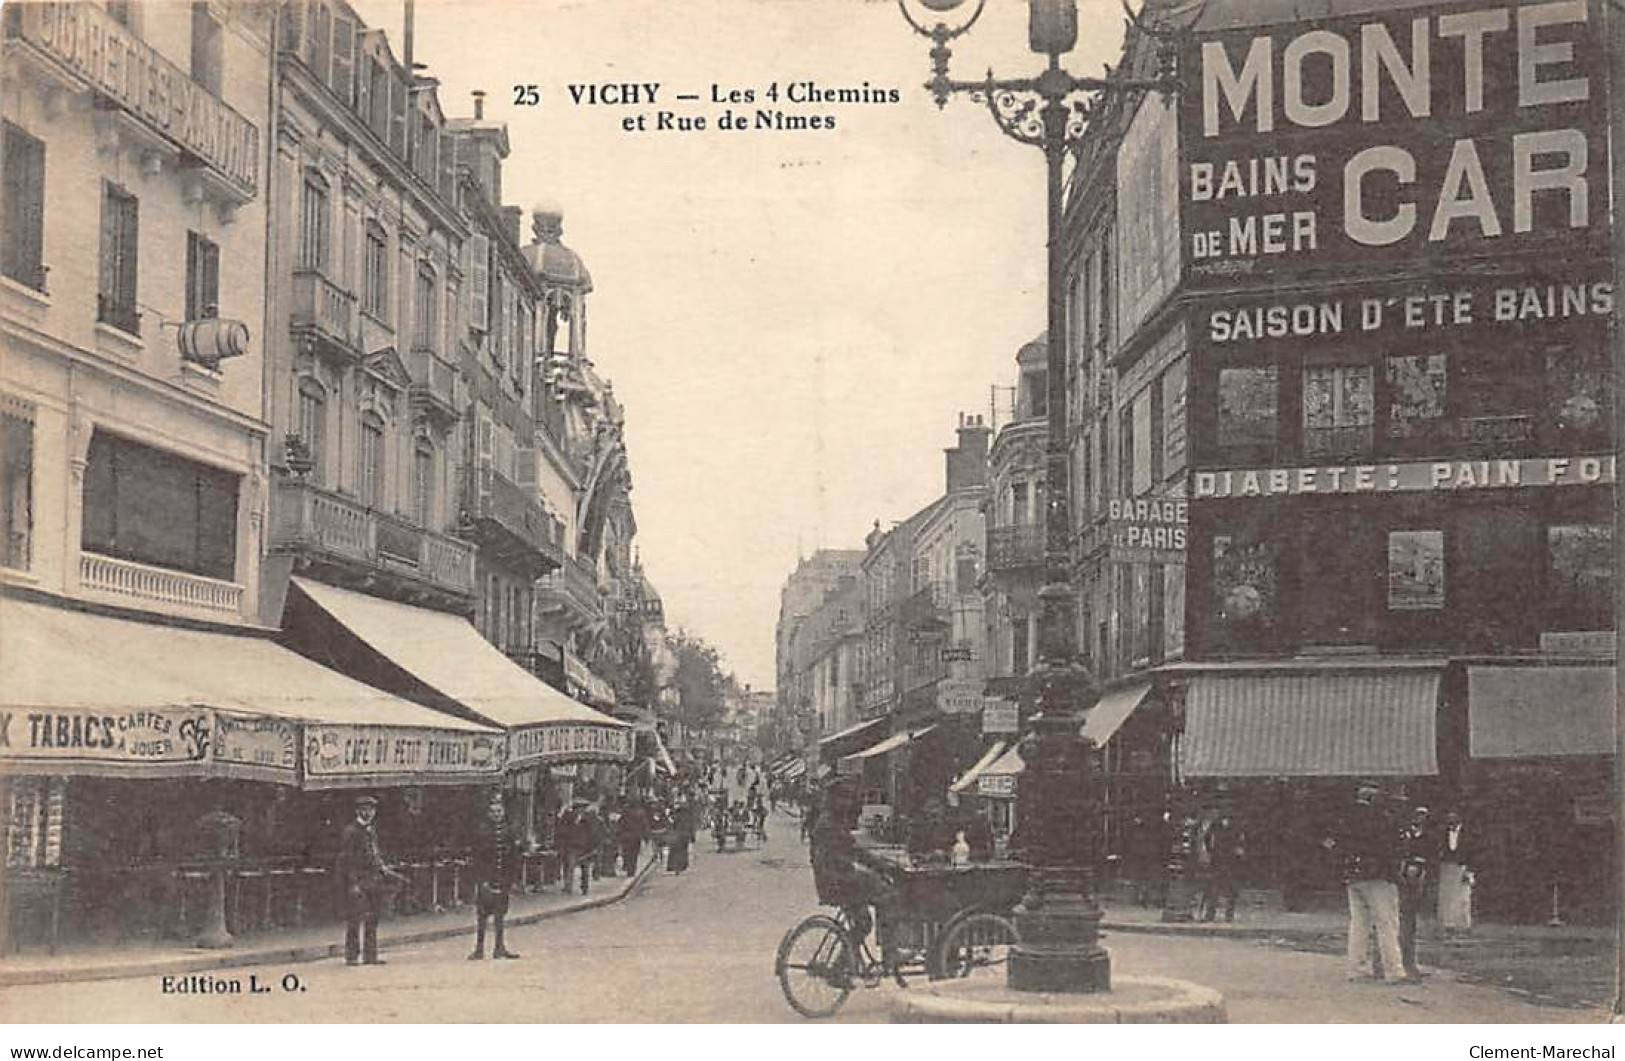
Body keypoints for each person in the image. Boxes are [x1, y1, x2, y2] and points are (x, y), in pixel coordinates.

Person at [810, 780, 900, 984]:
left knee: (862, 923)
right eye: (844, 798)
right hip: (839, 881)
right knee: (889, 896)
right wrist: (883, 866)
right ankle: (890, 954)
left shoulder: (829, 820)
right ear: (835, 800)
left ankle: (840, 967)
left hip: (832, 881)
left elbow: (852, 852)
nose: (849, 803)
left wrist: (875, 864)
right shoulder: (830, 825)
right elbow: (855, 852)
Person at [1324, 781, 1410, 984]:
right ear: (1374, 798)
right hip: (1378, 876)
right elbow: (1390, 847)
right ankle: (1394, 971)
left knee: (1359, 924)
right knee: (1387, 923)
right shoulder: (1381, 819)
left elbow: (1333, 846)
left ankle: (1356, 969)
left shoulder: (1345, 820)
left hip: (1353, 876)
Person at [335, 795, 408, 967]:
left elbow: (375, 855)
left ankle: (370, 955)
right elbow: (347, 859)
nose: (368, 812)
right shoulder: (351, 831)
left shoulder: (371, 831)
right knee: (355, 918)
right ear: (358, 811)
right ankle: (351, 956)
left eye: (371, 809)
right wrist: (353, 883)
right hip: (359, 881)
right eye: (365, 809)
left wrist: (385, 870)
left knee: (373, 918)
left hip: (373, 879)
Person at [468, 794, 522, 960]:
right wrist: (481, 880)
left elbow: (514, 857)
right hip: (487, 879)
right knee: (482, 915)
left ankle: (499, 947)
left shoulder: (509, 831)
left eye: (499, 811)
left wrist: (513, 880)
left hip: (502, 878)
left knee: (500, 915)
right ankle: (479, 948)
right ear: (489, 814)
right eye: (493, 812)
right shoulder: (482, 831)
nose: (497, 814)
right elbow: (477, 858)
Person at [1397, 805, 1436, 978]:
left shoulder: (1429, 837)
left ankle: (1410, 961)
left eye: (1423, 816)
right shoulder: (1404, 835)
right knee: (1401, 920)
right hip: (1403, 877)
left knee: (1411, 920)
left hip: (1419, 877)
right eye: (1417, 815)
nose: (1420, 819)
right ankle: (1401, 962)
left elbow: (1432, 856)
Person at [1437, 808, 1476, 934]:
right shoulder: (1443, 833)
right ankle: (1448, 923)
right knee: (1447, 896)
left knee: (1463, 896)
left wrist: (1469, 871)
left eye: (1454, 818)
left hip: (1463, 867)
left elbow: (1474, 853)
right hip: (1447, 867)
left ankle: (1464, 924)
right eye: (1449, 818)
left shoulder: (1469, 833)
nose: (1451, 820)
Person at [1200, 815, 1244, 922]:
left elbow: (1240, 842)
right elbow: (1207, 838)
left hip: (1230, 860)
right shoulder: (1215, 825)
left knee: (1230, 888)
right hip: (1218, 860)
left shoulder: (1236, 827)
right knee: (1214, 888)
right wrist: (1211, 851)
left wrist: (1237, 852)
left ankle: (1228, 915)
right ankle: (1211, 914)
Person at [558, 797, 604, 896]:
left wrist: (593, 846)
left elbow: (593, 832)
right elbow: (563, 830)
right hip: (573, 846)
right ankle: (569, 887)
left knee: (583, 868)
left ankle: (583, 887)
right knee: (571, 866)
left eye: (582, 808)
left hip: (584, 846)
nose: (580, 810)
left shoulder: (588, 819)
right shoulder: (569, 817)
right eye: (579, 808)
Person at [618, 796, 648, 877]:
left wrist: (619, 834)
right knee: (634, 854)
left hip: (626, 835)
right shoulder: (641, 812)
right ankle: (632, 870)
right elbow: (644, 825)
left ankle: (628, 868)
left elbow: (620, 823)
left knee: (627, 853)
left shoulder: (625, 811)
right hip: (636, 836)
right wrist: (646, 837)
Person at [667, 797, 695, 873]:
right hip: (685, 835)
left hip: (678, 834)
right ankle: (682, 865)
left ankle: (677, 866)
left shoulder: (677, 815)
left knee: (677, 850)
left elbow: (672, 824)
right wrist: (692, 836)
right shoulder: (688, 816)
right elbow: (691, 826)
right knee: (683, 850)